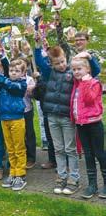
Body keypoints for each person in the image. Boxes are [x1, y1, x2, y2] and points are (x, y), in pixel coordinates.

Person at [35, 40, 100, 195]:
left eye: (63, 61)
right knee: (58, 149)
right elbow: (38, 59)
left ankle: (74, 179)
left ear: (66, 58)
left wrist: (89, 57)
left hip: (67, 118)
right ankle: (61, 177)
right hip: (52, 117)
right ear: (52, 63)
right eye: (57, 63)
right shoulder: (49, 72)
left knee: (70, 149)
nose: (62, 65)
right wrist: (37, 46)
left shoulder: (73, 74)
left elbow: (95, 71)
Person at [70, 57, 106, 199]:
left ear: (88, 69)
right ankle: (92, 185)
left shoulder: (94, 83)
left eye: (79, 69)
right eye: (74, 69)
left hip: (94, 124)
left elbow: (89, 99)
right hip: (81, 124)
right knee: (88, 154)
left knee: (99, 153)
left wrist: (85, 82)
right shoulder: (76, 84)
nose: (76, 72)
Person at [0, 59, 27, 191]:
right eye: (11, 70)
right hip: (4, 118)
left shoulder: (21, 84)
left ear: (23, 73)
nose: (13, 73)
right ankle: (13, 172)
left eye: (17, 71)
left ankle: (20, 174)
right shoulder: (3, 82)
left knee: (19, 148)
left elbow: (9, 85)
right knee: (10, 148)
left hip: (17, 119)